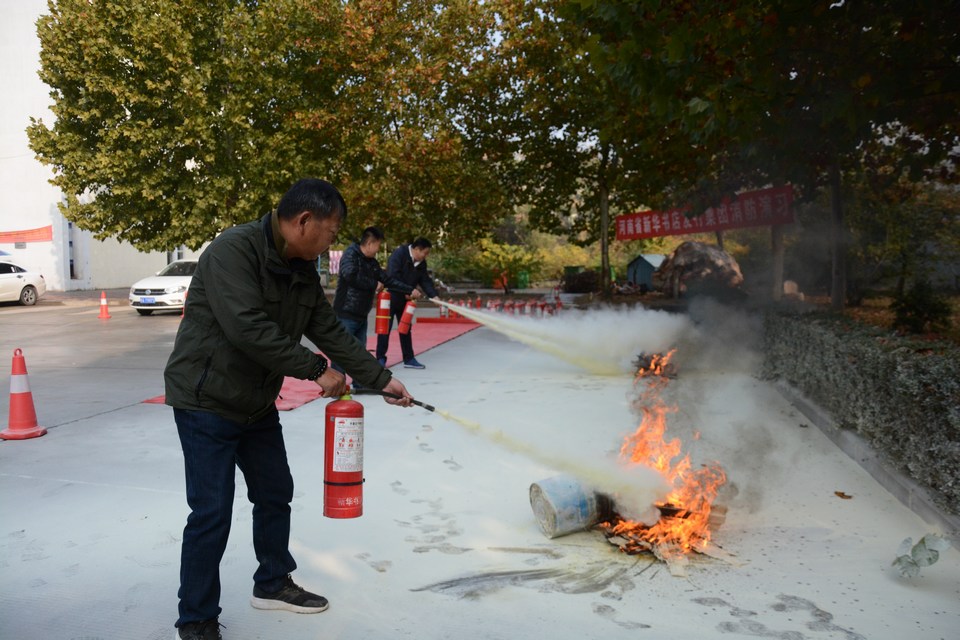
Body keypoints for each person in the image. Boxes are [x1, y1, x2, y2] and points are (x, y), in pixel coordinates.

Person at [163, 178, 415, 640]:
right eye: (331, 232)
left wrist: (381, 379)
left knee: (275, 491)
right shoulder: (233, 251)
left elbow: (329, 329)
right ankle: (196, 618)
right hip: (206, 401)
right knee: (211, 512)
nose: (332, 242)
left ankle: (272, 581)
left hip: (256, 403)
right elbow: (247, 327)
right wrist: (316, 369)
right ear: (303, 221)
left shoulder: (301, 268)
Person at [331, 226, 417, 384]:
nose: (378, 249)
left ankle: (359, 383)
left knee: (359, 352)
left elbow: (387, 280)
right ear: (370, 243)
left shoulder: (371, 262)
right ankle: (337, 384)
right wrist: (373, 284)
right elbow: (350, 275)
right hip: (346, 312)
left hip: (361, 314)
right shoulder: (350, 255)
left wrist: (409, 289)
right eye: (378, 245)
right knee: (342, 350)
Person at [375, 237, 440, 369]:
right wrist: (408, 290)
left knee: (406, 328)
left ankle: (409, 358)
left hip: (406, 299)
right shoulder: (399, 254)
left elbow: (425, 280)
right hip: (391, 297)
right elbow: (392, 276)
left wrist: (434, 295)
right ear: (417, 249)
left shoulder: (421, 263)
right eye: (425, 253)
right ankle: (380, 358)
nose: (426, 256)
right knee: (385, 329)